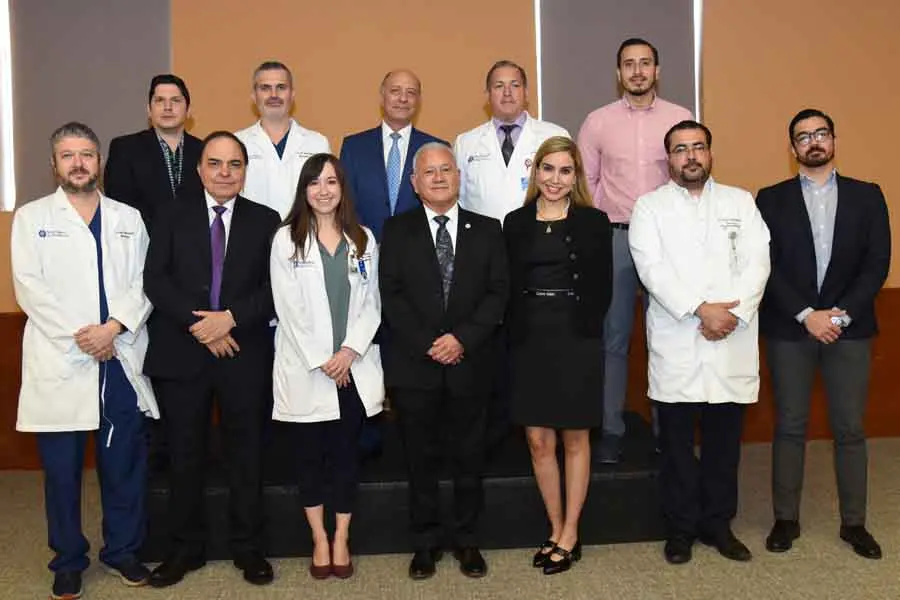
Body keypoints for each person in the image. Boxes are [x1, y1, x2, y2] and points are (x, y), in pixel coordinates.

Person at [11, 122, 158, 599]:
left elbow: (143, 283)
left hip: (118, 355)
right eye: (68, 155)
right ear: (53, 164)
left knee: (123, 464)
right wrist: (84, 336)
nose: (79, 163)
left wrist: (113, 328)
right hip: (62, 356)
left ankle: (122, 552)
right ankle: (68, 559)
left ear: (100, 162)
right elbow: (30, 288)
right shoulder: (32, 218)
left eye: (87, 154)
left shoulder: (128, 217)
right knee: (62, 470)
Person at [629, 120, 770, 565]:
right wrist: (699, 309)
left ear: (710, 153)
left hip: (731, 336)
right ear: (668, 158)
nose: (690, 156)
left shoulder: (740, 202)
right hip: (679, 337)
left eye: (698, 147)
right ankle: (681, 528)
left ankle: (717, 523)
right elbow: (651, 269)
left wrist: (731, 313)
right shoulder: (649, 207)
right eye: (680, 149)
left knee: (723, 446)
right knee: (675, 447)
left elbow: (758, 262)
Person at [143, 131, 281, 588]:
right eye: (216, 164)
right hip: (183, 352)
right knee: (185, 455)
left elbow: (274, 288)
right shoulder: (169, 215)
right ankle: (185, 549)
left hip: (244, 352)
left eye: (234, 165)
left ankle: (249, 547)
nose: (225, 173)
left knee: (247, 455)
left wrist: (231, 319)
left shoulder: (267, 220)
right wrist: (201, 325)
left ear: (245, 171)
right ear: (200, 169)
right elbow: (155, 281)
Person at [757, 109, 891, 560]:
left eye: (820, 133)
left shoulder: (868, 196)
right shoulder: (770, 199)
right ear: (792, 147)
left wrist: (840, 316)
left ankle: (855, 524)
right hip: (789, 329)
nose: (812, 141)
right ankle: (785, 518)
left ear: (833, 139)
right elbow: (765, 265)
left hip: (850, 331)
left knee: (850, 429)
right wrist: (805, 314)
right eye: (802, 136)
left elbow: (877, 264)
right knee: (790, 426)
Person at [379, 143, 509, 580]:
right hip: (415, 365)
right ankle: (425, 542)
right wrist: (430, 342)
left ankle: (468, 541)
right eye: (427, 172)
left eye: (445, 170)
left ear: (459, 177)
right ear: (414, 183)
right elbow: (391, 295)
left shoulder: (489, 230)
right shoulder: (395, 231)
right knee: (420, 459)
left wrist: (461, 340)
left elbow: (497, 294)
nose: (437, 177)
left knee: (470, 458)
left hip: (471, 363)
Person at [576, 38, 693, 463]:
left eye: (645, 64)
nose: (638, 71)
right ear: (619, 73)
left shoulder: (680, 119)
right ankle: (611, 430)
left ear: (657, 70)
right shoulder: (598, 122)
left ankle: (669, 431)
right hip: (617, 238)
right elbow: (584, 185)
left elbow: (691, 177)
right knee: (614, 338)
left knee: (670, 336)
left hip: (670, 240)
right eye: (629, 64)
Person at [270, 154, 384, 579]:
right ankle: (318, 537)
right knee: (309, 460)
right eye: (314, 182)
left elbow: (372, 303)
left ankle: (341, 536)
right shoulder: (286, 240)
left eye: (331, 182)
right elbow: (289, 307)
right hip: (308, 368)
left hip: (352, 368)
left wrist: (349, 352)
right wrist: (324, 358)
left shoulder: (363, 239)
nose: (323, 190)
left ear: (342, 189)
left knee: (345, 457)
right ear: (304, 190)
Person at [503, 136, 612, 574]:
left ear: (576, 177)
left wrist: (585, 330)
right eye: (548, 169)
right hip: (529, 338)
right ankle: (553, 526)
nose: (555, 179)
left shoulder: (594, 221)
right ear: (537, 172)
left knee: (574, 437)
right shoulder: (513, 222)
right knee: (538, 439)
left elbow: (603, 287)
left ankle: (571, 531)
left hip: (576, 337)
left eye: (565, 171)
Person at [454, 60, 569, 223]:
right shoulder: (465, 143)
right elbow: (459, 201)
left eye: (515, 85)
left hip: (538, 236)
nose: (507, 92)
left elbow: (569, 193)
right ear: (488, 95)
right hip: (483, 242)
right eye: (499, 86)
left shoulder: (555, 135)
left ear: (526, 92)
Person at [340, 69, 448, 241]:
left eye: (411, 93)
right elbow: (345, 202)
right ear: (382, 97)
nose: (403, 99)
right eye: (395, 91)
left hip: (419, 251)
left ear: (418, 100)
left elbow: (443, 205)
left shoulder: (436, 148)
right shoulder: (353, 147)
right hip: (364, 249)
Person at [104, 74, 203, 230]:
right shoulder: (124, 149)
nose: (168, 107)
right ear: (149, 110)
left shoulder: (204, 151)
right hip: (143, 245)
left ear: (189, 110)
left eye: (175, 101)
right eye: (159, 100)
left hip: (194, 246)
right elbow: (118, 206)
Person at [236, 61, 331, 218]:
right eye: (265, 88)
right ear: (254, 96)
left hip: (305, 236)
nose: (274, 95)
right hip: (253, 236)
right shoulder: (237, 143)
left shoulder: (317, 143)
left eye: (281, 87)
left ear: (292, 94)